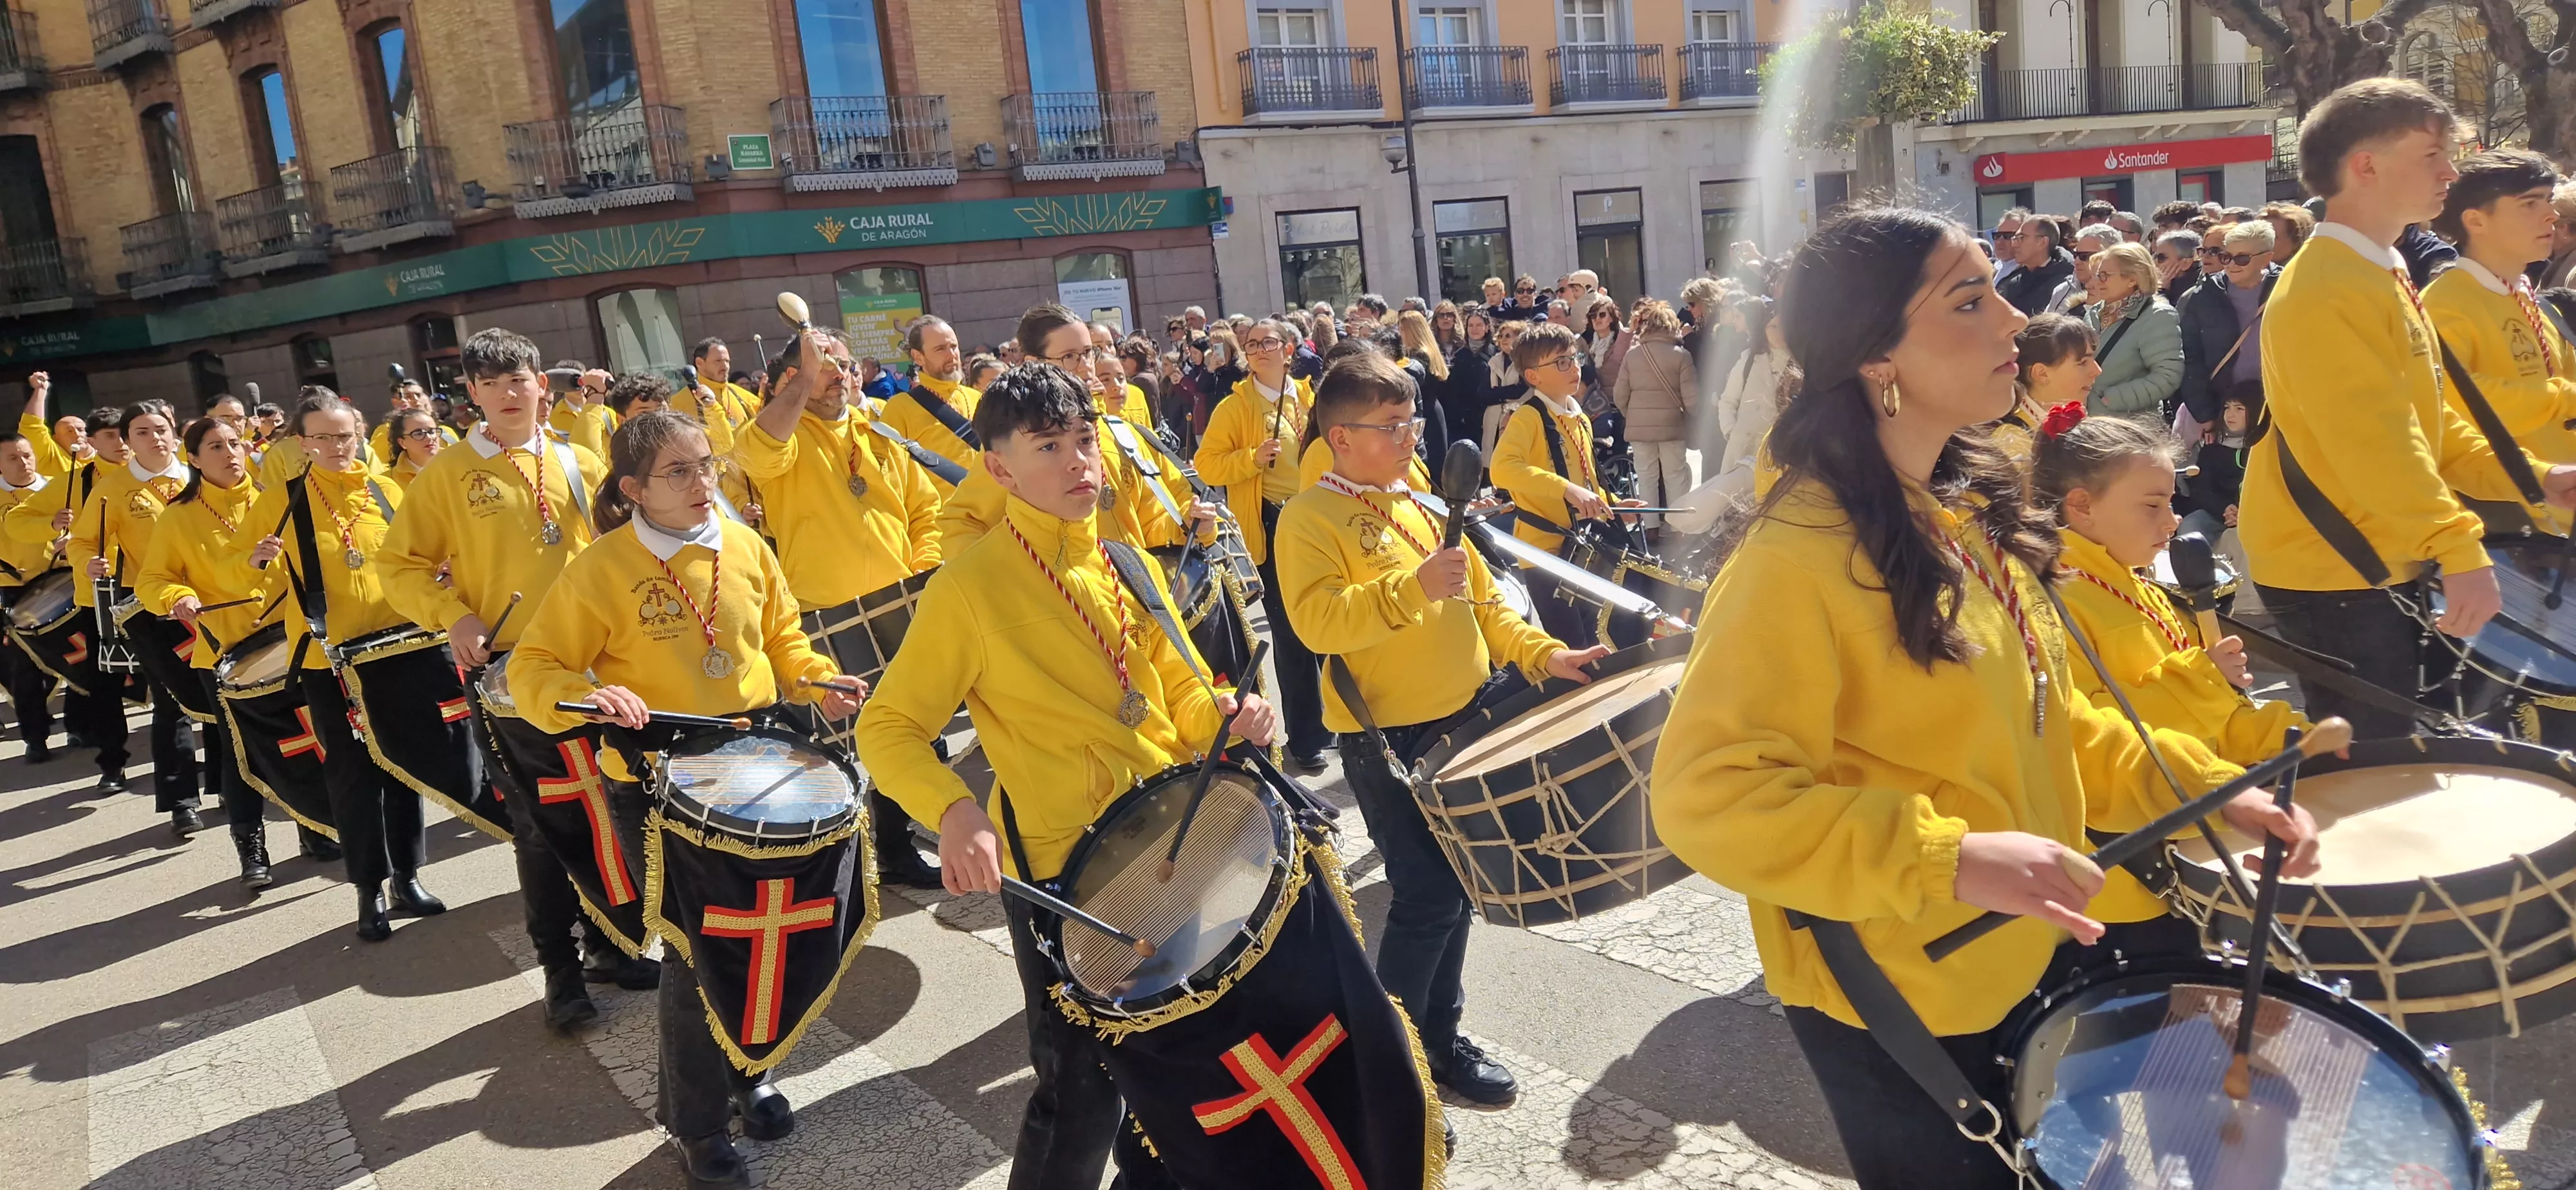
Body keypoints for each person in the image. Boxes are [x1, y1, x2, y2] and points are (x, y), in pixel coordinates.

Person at [1649, 204, 2318, 1190]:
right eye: (1971, 300)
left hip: (2019, 962)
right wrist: (1947, 857)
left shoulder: (1959, 513)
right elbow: (1708, 799)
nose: (2014, 321)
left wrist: (2205, 791)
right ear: (1877, 358)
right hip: (1902, 998)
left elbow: (2048, 721)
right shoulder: (1794, 559)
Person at [856, 361, 1277, 1190]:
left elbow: (1184, 690)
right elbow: (889, 726)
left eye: (1084, 439)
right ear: (999, 467)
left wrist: (1227, 718)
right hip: (1065, 872)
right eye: (1049, 446)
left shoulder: (1126, 562)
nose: (1080, 460)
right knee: (1079, 1087)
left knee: (1170, 1050)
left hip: (1172, 838)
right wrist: (953, 811)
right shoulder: (967, 587)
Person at [511, 408, 859, 1189]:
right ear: (633, 489)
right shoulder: (599, 568)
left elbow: (784, 644)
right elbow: (533, 668)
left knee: (768, 938)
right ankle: (697, 1125)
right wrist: (590, 695)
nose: (704, 482)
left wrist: (817, 682)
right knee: (697, 953)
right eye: (681, 472)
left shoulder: (744, 545)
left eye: (708, 464)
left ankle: (749, 1072)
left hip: (759, 762)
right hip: (657, 779)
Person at [1276, 348, 1605, 1108]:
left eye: (1411, 422)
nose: (1409, 439)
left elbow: (1488, 604)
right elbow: (1318, 623)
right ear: (1340, 438)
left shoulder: (1420, 501)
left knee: (1458, 891)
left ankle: (1435, 1040)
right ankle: (1389, 1070)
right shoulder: (1308, 517)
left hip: (1465, 716)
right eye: (1391, 427)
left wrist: (1545, 654)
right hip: (1383, 737)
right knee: (1427, 896)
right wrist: (1410, 588)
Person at [2246, 77, 2576, 739]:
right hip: (2334, 565)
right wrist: (2457, 547)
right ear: (2364, 165)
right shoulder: (2326, 286)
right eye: (2432, 155)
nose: (2451, 173)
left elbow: (2427, 420)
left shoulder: (2379, 268)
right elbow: (2375, 441)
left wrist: (2530, 476)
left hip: (2369, 554)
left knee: (2422, 766)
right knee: (2386, 777)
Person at [378, 326, 637, 1021]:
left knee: (612, 809)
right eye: (490, 384)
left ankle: (613, 944)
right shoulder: (446, 474)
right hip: (511, 668)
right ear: (470, 396)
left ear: (541, 385)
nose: (508, 394)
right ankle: (561, 970)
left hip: (595, 667)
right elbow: (396, 565)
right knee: (540, 824)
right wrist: (453, 618)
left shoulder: (580, 458)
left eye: (518, 379)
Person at [734, 323, 945, 887]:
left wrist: (919, 572)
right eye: (824, 364)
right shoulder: (782, 434)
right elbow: (754, 452)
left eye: (845, 365)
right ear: (790, 379)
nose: (840, 375)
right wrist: (804, 379)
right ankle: (836, 861)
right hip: (823, 615)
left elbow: (924, 510)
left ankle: (898, 849)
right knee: (834, 747)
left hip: (897, 605)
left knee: (914, 732)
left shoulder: (877, 430)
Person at [243, 392, 444, 941]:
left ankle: (407, 876)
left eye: (345, 436)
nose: (336, 447)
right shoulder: (279, 501)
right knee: (353, 775)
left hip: (397, 651)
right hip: (326, 657)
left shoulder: (389, 491)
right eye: (322, 438)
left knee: (401, 767)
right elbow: (249, 586)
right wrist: (258, 565)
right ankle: (368, 889)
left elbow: (420, 563)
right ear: (302, 443)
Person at [135, 415, 279, 887]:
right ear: (192, 458)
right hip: (226, 649)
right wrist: (178, 597)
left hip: (293, 641)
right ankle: (250, 846)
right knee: (242, 755)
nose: (231, 453)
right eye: (216, 447)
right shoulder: (178, 516)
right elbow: (153, 580)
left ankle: (315, 828)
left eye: (236, 443)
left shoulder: (274, 499)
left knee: (306, 742)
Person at [1196, 315, 1332, 772]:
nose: (1258, 350)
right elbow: (1208, 466)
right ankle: (1308, 735)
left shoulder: (1311, 396)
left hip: (1320, 520)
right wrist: (1250, 460)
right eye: (1250, 344)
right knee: (1292, 632)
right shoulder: (1236, 407)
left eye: (1266, 342)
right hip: (1274, 524)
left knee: (1332, 621)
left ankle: (1339, 719)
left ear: (1288, 348)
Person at [68, 401, 208, 829]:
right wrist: (88, 563)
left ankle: (231, 782)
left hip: (211, 600)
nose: (156, 438)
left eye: (162, 429)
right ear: (128, 442)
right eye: (143, 432)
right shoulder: (112, 488)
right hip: (151, 605)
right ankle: (181, 800)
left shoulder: (200, 475)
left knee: (223, 692)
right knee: (173, 701)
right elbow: (81, 541)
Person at [2423, 149, 2576, 472]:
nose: (2552, 215)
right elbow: (2451, 400)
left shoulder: (2537, 302)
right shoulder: (2442, 304)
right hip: (2509, 512)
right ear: (2476, 220)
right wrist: (2563, 399)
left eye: (2549, 200)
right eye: (2529, 203)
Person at [6, 403, 133, 785]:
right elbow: (16, 521)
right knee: (100, 679)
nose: (122, 442)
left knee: (168, 681)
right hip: (93, 594)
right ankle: (111, 762)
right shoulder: (73, 481)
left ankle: (184, 779)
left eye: (126, 433)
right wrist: (51, 524)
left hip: (152, 592)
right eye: (110, 435)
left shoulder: (161, 477)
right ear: (91, 442)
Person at [1492, 320, 1638, 647]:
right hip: (1543, 552)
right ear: (1533, 376)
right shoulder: (1527, 417)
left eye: (1575, 359)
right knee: (1572, 644)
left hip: (1582, 549)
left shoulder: (1579, 415)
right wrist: (1565, 489)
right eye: (1562, 362)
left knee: (1599, 637)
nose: (1574, 368)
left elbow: (1585, 479)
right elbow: (1501, 470)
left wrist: (1612, 503)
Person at [2174, 220, 2278, 427]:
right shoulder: (2203, 295)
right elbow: (2190, 358)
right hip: (2222, 409)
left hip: (2275, 407)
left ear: (2266, 259)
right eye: (2226, 257)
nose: (2231, 264)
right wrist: (2205, 414)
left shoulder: (2286, 289)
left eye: (2242, 259)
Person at [1613, 299, 1698, 534]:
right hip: (1672, 427)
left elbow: (1620, 395)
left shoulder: (1633, 356)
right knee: (1675, 476)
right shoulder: (1682, 356)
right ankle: (1678, 527)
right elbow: (1692, 399)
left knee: (1647, 476)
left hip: (1640, 430)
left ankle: (1650, 527)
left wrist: (1632, 416)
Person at [0, 430, 59, 762]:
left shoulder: (57, 489)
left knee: (77, 657)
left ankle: (84, 726)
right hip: (16, 588)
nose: (23, 463)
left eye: (26, 455)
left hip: (64, 580)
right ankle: (35, 736)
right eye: (12, 458)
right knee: (25, 666)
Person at [2080, 242, 2184, 424]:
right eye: (2097, 275)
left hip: (2131, 428)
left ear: (2133, 278)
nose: (2096, 282)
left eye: (2104, 276)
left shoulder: (2157, 315)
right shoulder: (2095, 312)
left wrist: (2112, 399)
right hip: (2091, 423)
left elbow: (2167, 376)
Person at [880, 314, 982, 498]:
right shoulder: (899, 408)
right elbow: (891, 475)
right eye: (940, 349)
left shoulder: (979, 398)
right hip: (940, 521)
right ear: (918, 357)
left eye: (954, 347)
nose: (952, 355)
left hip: (991, 514)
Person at [1989, 313, 2100, 463]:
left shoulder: (2071, 422)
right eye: (2083, 362)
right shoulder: (2012, 441)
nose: (2097, 370)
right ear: (2042, 373)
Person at [1997, 216, 2074, 316]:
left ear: (2043, 242)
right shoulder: (2012, 282)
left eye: (2021, 238)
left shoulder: (2064, 286)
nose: (2014, 244)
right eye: (2014, 238)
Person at [381, 407, 445, 488]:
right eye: (418, 434)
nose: (429, 438)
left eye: (432, 431)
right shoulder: (388, 482)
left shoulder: (458, 465)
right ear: (402, 443)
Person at [2152, 229, 2202, 304]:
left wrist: (2162, 291)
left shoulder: (2196, 294)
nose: (2155, 263)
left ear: (2185, 263)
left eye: (2161, 258)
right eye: (2154, 257)